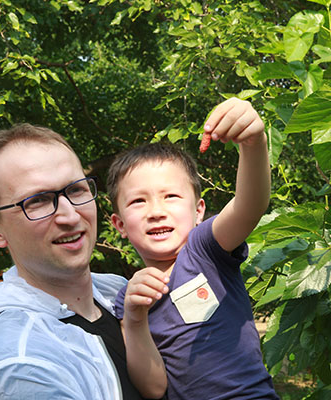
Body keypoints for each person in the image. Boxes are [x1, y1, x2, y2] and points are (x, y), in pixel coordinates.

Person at [0, 123, 167, 399]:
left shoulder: (119, 294)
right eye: (37, 200)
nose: (71, 216)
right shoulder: (21, 361)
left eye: (76, 190)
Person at [107, 97, 280, 399]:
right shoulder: (129, 298)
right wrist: (135, 319)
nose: (156, 211)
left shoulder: (204, 250)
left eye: (171, 196)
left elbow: (250, 206)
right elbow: (155, 387)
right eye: (138, 201)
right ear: (119, 224)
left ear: (198, 210)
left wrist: (253, 143)